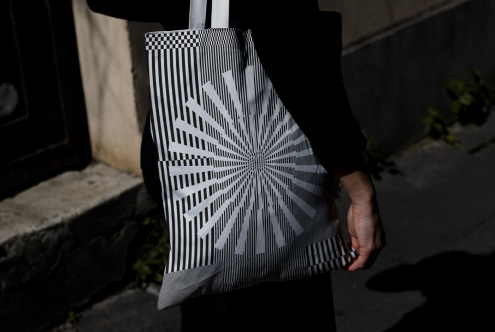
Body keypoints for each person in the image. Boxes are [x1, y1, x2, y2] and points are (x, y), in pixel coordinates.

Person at [87, 1, 386, 330]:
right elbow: (290, 43)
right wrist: (358, 184)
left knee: (216, 307)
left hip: (192, 154)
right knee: (285, 311)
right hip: (266, 169)